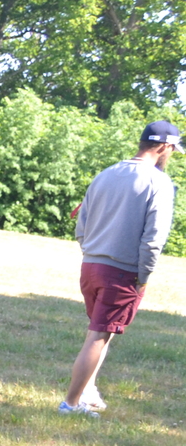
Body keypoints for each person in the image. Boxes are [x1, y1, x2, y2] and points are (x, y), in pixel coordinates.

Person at [61, 120, 180, 417]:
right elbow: (153, 239)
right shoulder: (159, 182)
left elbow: (81, 225)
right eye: (173, 150)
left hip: (90, 265)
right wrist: (143, 276)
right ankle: (71, 404)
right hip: (123, 271)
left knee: (102, 333)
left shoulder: (106, 174)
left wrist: (93, 252)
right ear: (165, 147)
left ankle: (88, 390)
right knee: (99, 335)